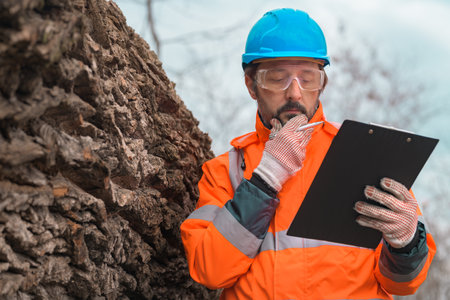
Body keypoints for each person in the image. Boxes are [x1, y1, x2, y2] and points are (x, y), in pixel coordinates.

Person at [180, 8, 435, 300]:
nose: (295, 93)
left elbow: (404, 284)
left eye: (308, 78)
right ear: (252, 85)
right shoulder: (226, 171)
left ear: (322, 83)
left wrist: (407, 243)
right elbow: (210, 271)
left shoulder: (364, 152)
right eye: (277, 78)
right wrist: (265, 179)